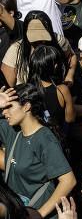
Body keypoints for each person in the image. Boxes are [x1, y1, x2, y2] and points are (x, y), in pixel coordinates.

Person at [0, 83, 76, 217]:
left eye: (9, 107)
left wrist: (39, 214)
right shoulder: (12, 129)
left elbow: (68, 180)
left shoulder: (44, 139)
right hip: (16, 209)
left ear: (27, 106)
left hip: (34, 209)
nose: (3, 112)